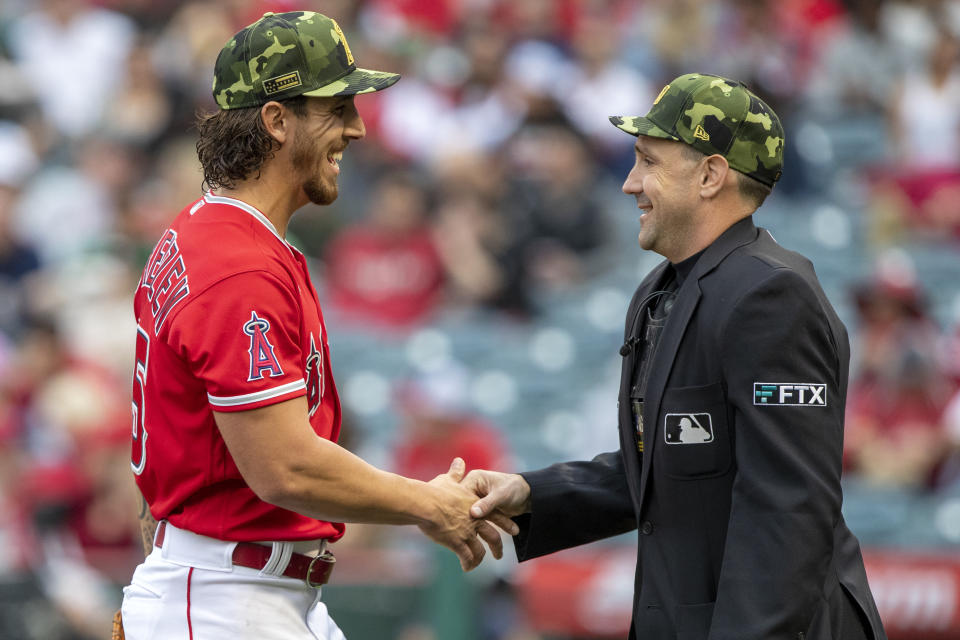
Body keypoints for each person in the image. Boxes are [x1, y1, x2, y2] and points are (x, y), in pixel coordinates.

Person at [118, 11, 515, 640]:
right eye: (337, 107)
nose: (356, 128)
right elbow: (286, 469)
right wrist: (425, 503)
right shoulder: (236, 265)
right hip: (227, 596)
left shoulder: (210, 233)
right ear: (277, 120)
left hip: (238, 585)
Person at [464, 73, 887, 640]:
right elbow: (674, 467)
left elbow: (788, 509)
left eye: (649, 161)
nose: (629, 183)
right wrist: (534, 493)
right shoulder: (662, 290)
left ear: (711, 175)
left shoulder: (771, 295)